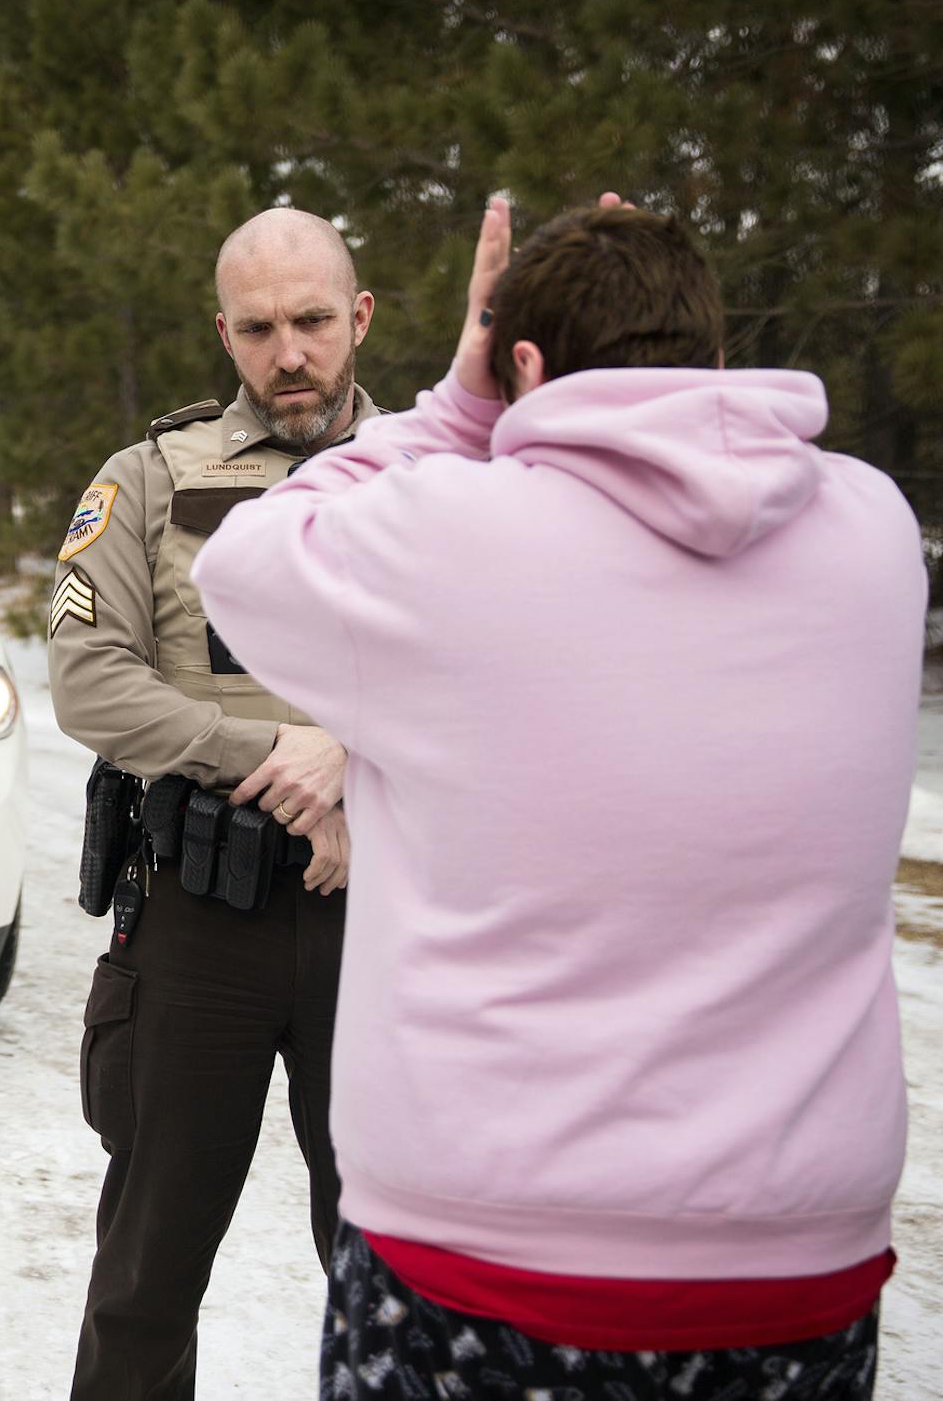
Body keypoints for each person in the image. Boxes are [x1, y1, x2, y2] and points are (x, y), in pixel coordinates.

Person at [195, 195, 916, 1395]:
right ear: (719, 351)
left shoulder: (449, 540)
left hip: (482, 1260)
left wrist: (459, 405)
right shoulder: (874, 531)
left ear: (521, 360)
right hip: (800, 1261)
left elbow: (247, 562)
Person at [49, 207, 380, 1400]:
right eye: (258, 328)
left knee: (395, 1273)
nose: (288, 352)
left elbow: (502, 676)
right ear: (224, 333)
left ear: (361, 318)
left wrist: (352, 751)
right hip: (199, 922)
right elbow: (91, 682)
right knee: (147, 1276)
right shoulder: (147, 479)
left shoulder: (437, 482)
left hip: (388, 929)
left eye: (311, 322)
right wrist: (267, 754)